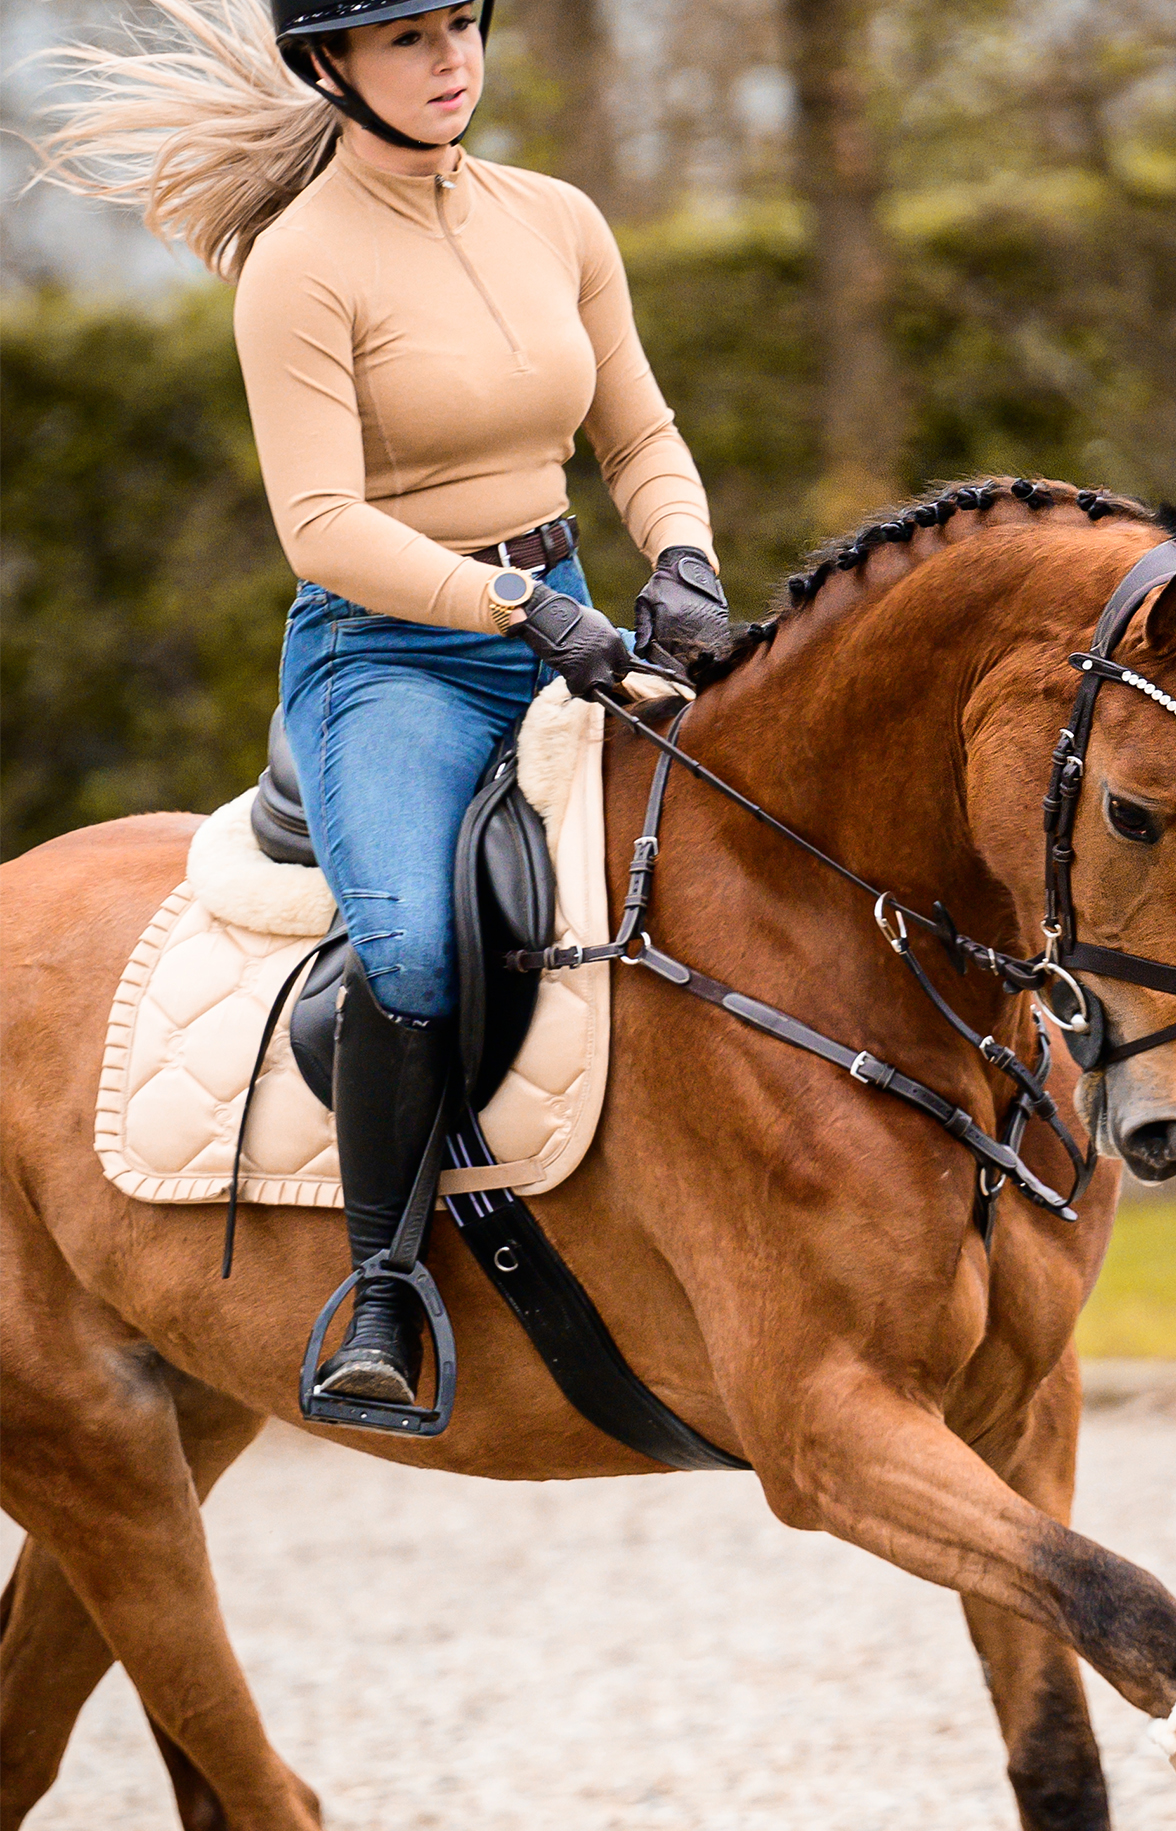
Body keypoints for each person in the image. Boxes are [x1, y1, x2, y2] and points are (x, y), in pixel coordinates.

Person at [34, 0, 730, 1410]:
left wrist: (686, 560)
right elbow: (322, 528)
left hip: (573, 614)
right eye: (408, 39)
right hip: (395, 658)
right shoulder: (299, 266)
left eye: (461, 25)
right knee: (410, 952)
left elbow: (639, 433)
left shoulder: (558, 218)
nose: (452, 60)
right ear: (329, 65)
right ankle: (381, 1289)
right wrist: (515, 607)